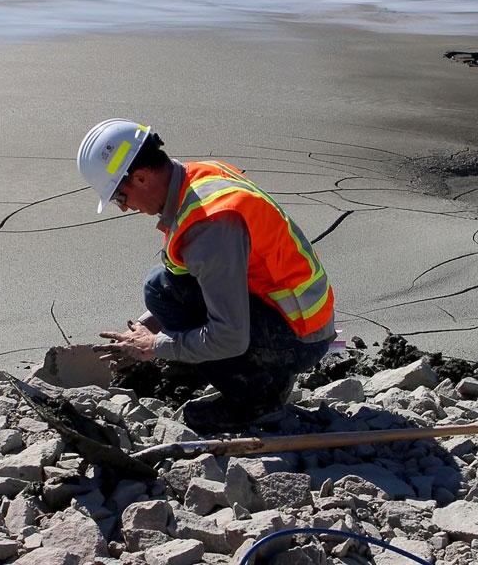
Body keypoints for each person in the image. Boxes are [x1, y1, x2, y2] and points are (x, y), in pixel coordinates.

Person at [77, 118, 336, 432]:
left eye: (120, 197)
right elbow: (195, 280)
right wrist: (146, 327)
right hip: (296, 315)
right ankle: (269, 380)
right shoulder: (199, 176)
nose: (124, 208)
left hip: (299, 338)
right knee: (162, 290)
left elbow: (228, 337)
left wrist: (156, 346)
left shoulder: (210, 226)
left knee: (160, 291)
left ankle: (255, 402)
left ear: (142, 178)